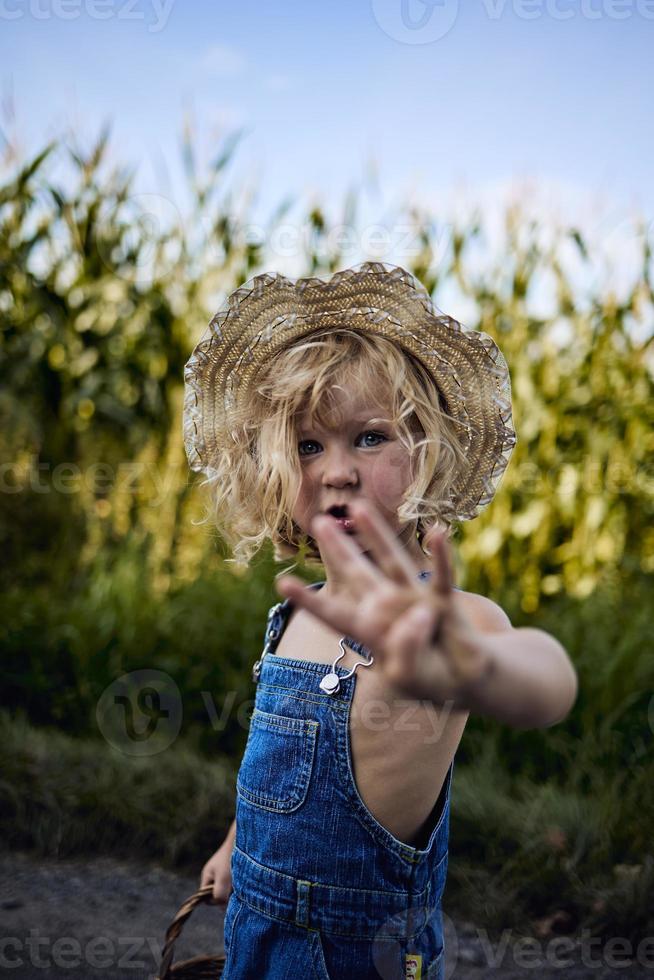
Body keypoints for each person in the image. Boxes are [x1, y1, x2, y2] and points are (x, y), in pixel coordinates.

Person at [184, 261, 578, 979]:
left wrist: (476, 668)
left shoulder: (447, 619)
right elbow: (275, 774)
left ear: (429, 452)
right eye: (308, 445)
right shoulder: (293, 618)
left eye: (369, 437)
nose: (336, 469)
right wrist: (236, 847)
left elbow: (546, 679)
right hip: (255, 940)